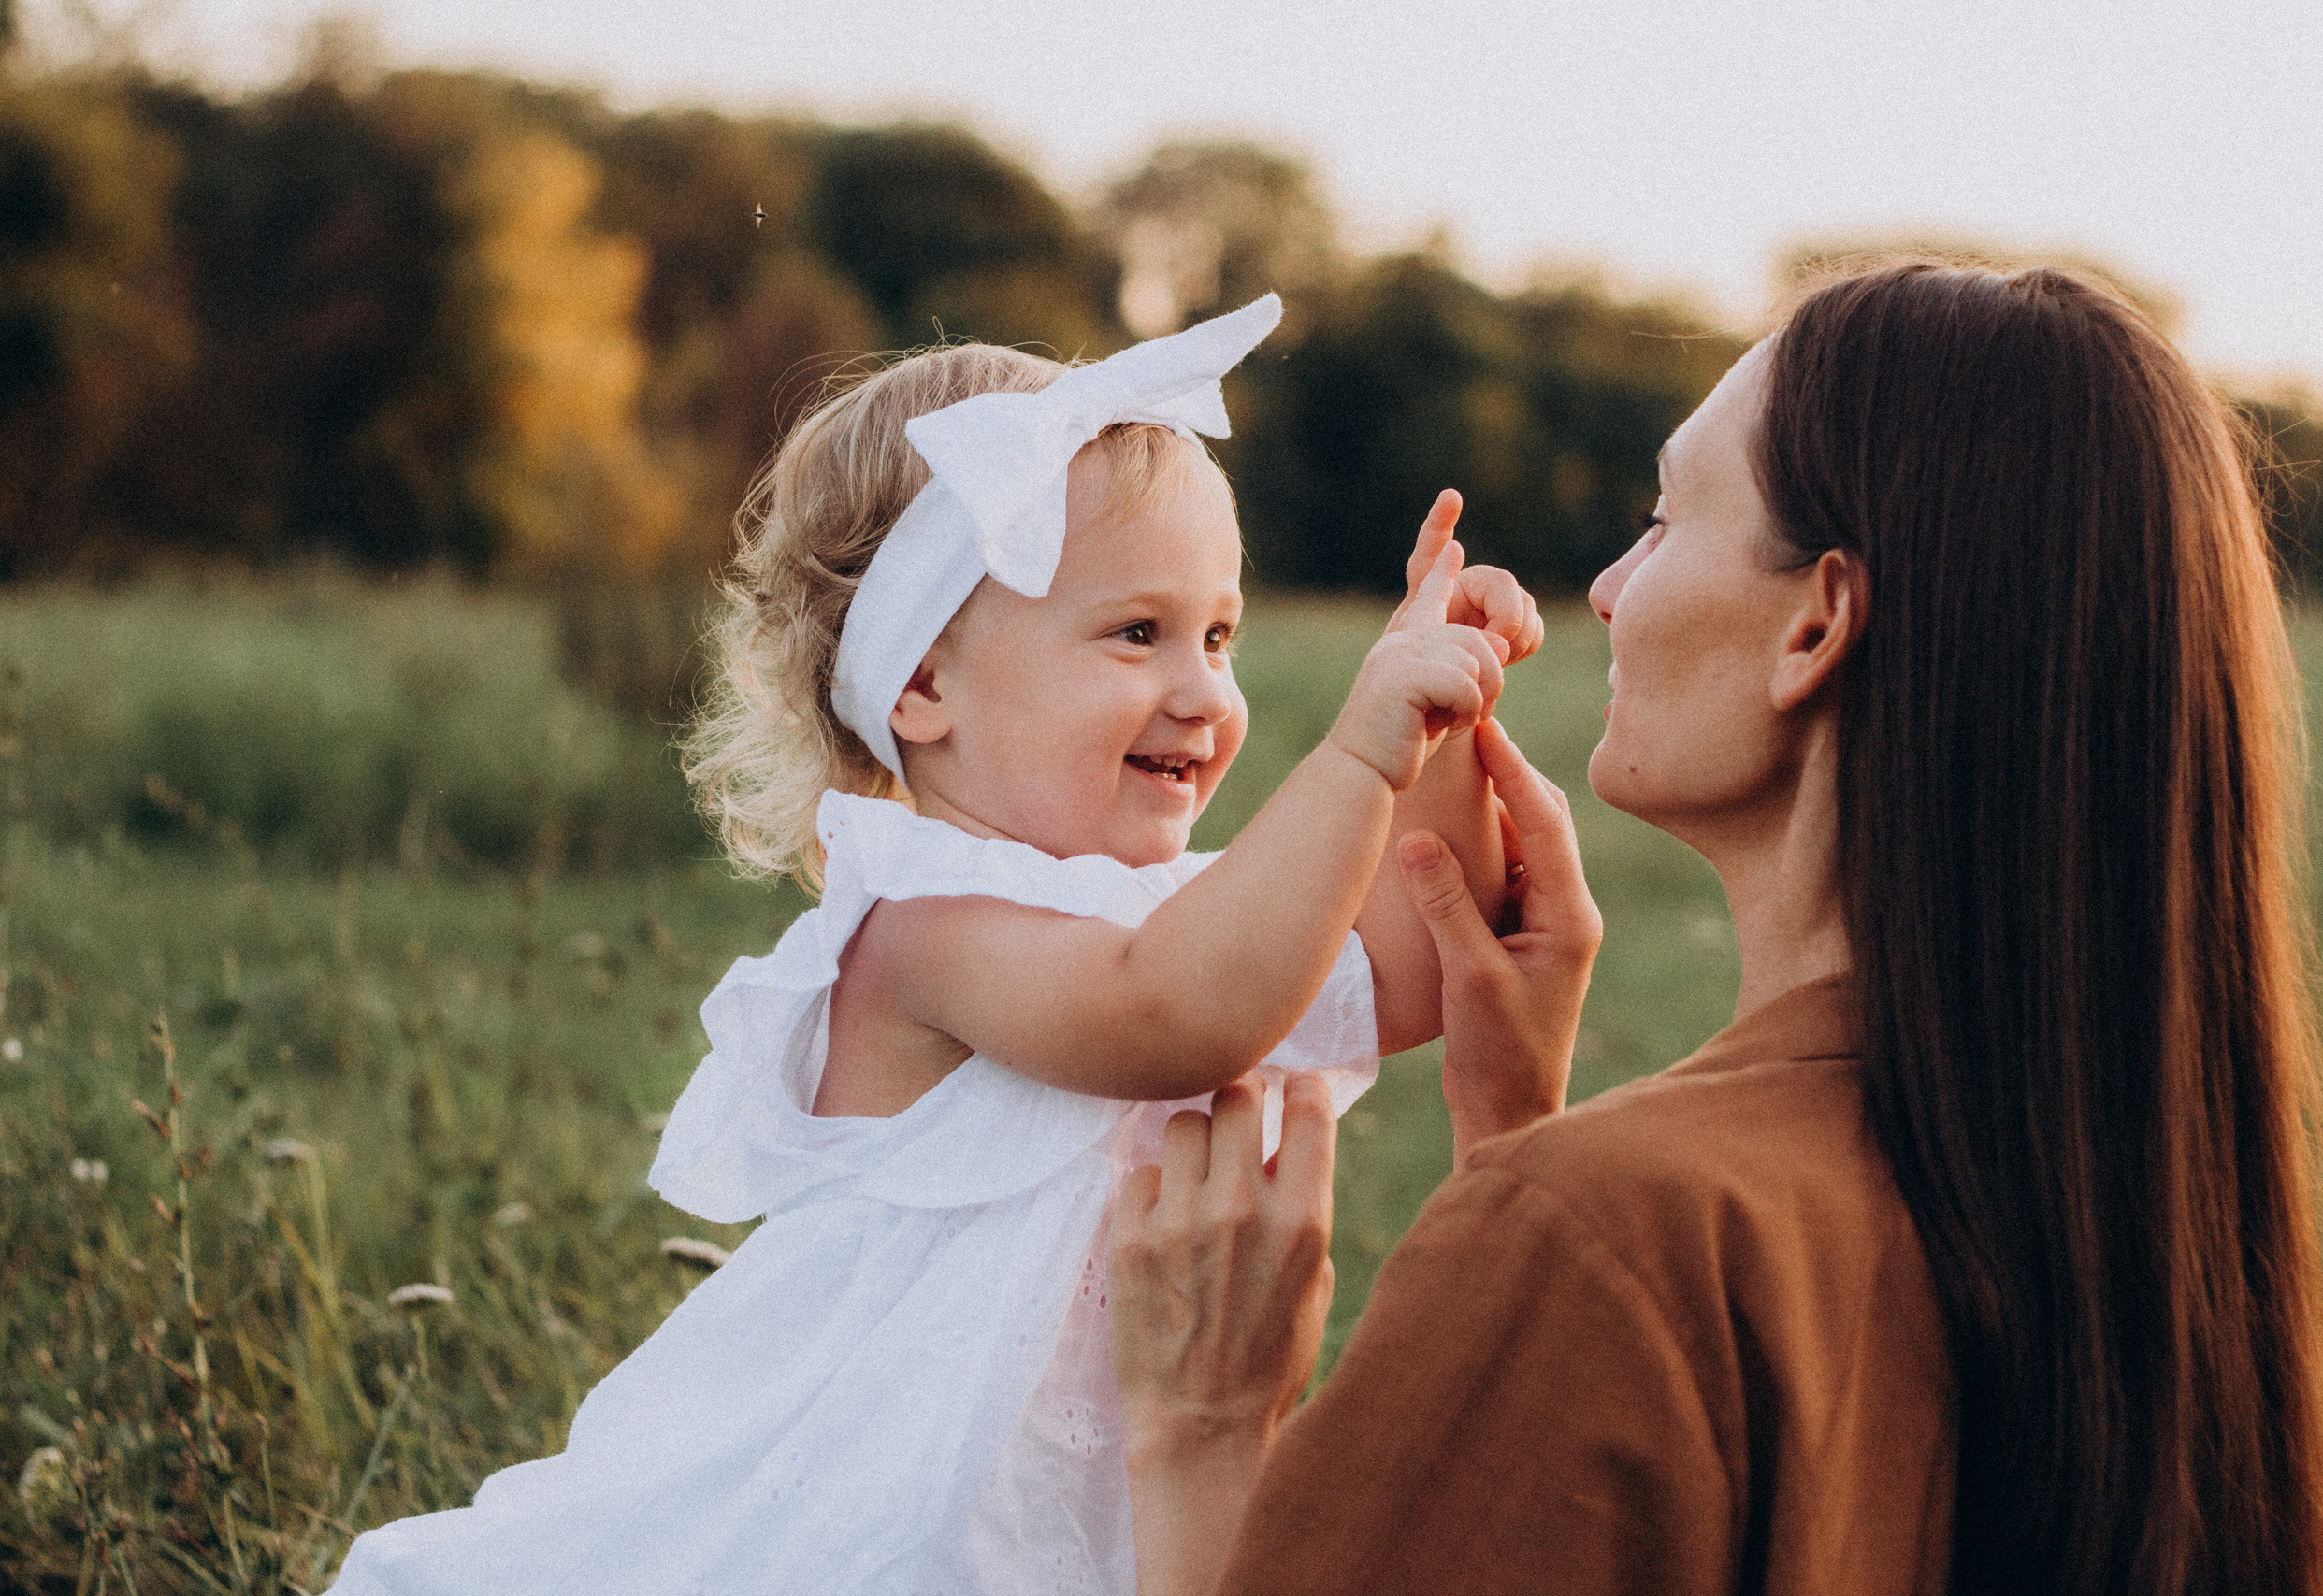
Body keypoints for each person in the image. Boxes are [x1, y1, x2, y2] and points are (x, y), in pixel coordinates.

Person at [1111, 261, 2323, 1596]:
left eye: (1663, 515)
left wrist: (1199, 1430)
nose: (1614, 586)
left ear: (1816, 624)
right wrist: (1515, 1133)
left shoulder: (1614, 1239)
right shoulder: (2195, 1255)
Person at [328, 295, 1537, 1594]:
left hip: (1082, 1501)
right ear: (922, 686)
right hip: (871, 1519)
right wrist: (1358, 751)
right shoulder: (924, 926)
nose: (1202, 691)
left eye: (1220, 634)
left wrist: (1444, 717)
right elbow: (1180, 1013)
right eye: (1138, 633)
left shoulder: (1180, 912)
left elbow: (1412, 969)